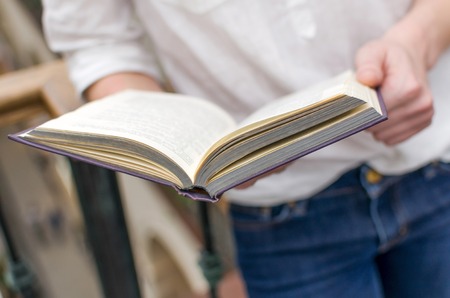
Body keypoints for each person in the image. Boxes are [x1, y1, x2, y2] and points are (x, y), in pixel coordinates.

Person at [41, 0, 450, 297]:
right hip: (283, 213)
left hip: (436, 158)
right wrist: (181, 144)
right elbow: (98, 44)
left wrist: (415, 43)